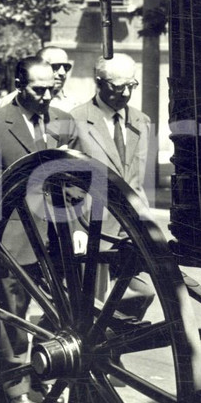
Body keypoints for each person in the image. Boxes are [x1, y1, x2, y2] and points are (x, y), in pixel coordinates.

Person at [0, 56, 79, 403]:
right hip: (14, 235)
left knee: (63, 305)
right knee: (13, 311)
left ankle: (44, 364)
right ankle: (16, 383)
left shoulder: (65, 123)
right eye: (38, 89)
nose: (47, 95)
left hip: (59, 233)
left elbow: (82, 180)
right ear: (19, 85)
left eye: (52, 88)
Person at [70, 53, 156, 321]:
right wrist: (75, 229)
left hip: (131, 226)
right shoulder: (76, 119)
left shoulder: (142, 122)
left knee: (143, 292)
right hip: (91, 227)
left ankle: (111, 341)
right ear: (99, 82)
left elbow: (139, 178)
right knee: (87, 308)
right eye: (118, 87)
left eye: (132, 85)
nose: (126, 93)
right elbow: (66, 183)